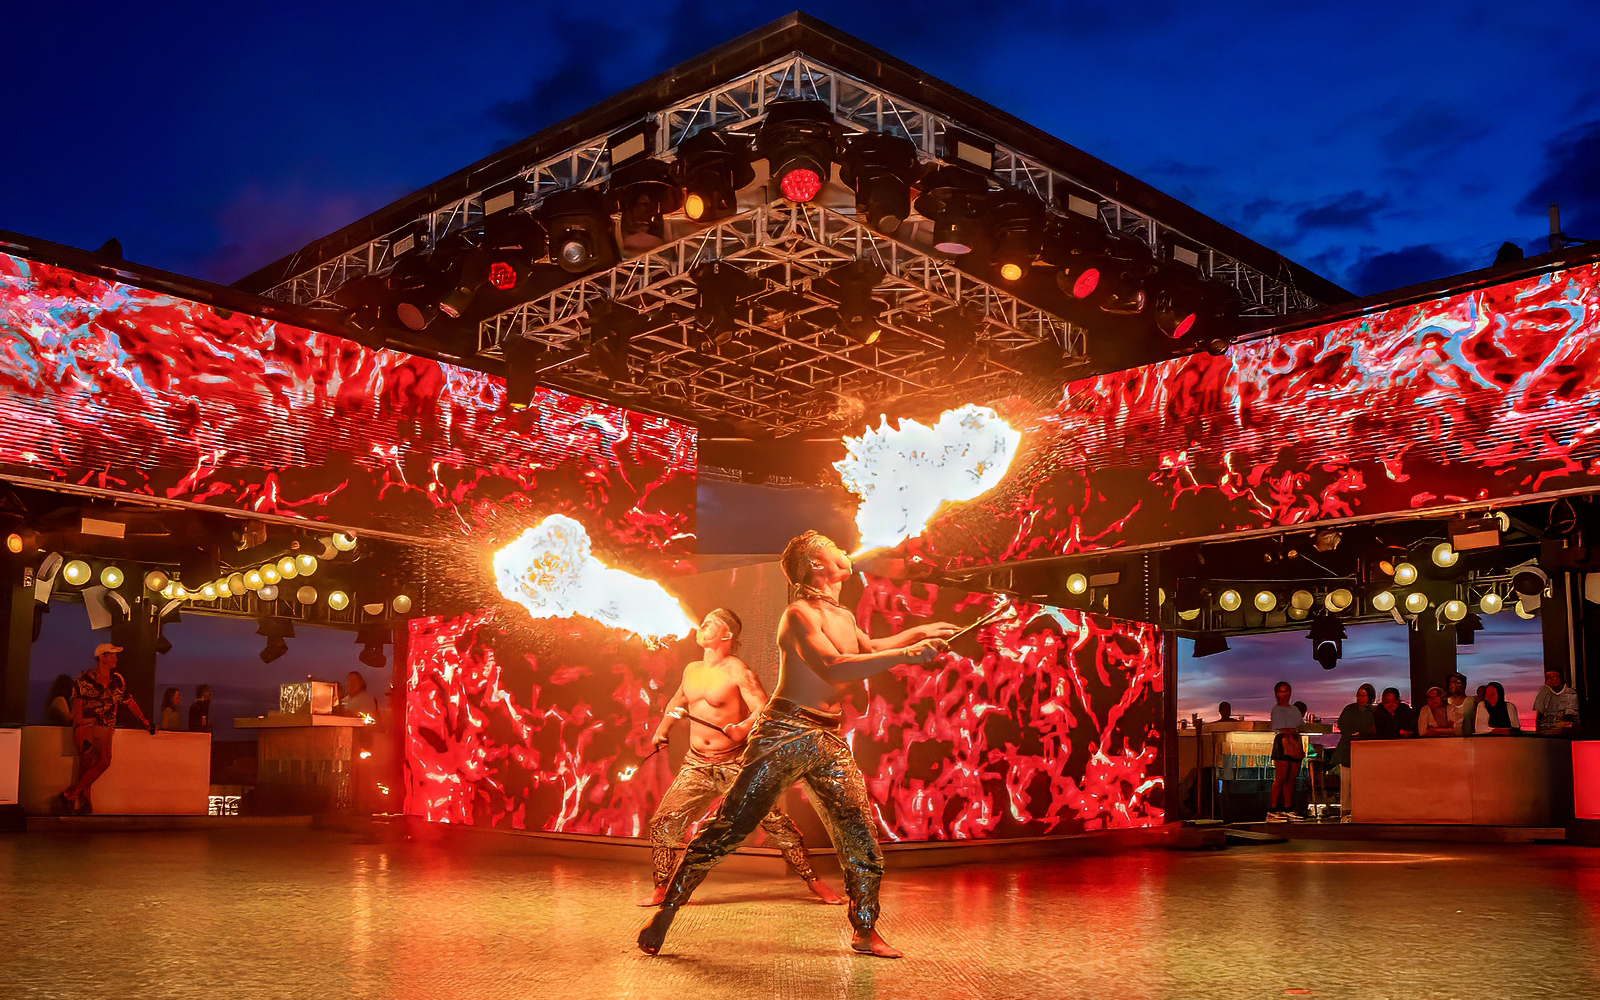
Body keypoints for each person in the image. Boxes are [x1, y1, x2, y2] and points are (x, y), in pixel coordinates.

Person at [638, 530, 954, 960]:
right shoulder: (798, 614)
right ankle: (667, 911)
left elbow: (868, 648)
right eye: (832, 546)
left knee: (859, 835)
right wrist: (909, 656)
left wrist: (917, 635)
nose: (844, 550)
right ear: (817, 565)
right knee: (728, 828)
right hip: (784, 732)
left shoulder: (841, 615)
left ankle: (865, 930)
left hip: (828, 736)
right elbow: (835, 666)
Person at [639, 608, 842, 908]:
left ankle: (814, 880)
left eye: (709, 623)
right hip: (696, 764)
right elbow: (678, 701)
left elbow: (763, 709)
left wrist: (742, 728)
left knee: (776, 824)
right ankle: (661, 886)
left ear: (727, 635)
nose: (701, 625)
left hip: (734, 764)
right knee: (663, 823)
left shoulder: (739, 671)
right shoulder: (691, 670)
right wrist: (663, 727)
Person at [57, 643, 155, 815]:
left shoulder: (117, 680)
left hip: (106, 726)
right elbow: (77, 701)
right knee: (86, 761)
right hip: (87, 725)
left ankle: (72, 794)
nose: (116, 658)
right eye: (112, 655)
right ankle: (84, 802)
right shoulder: (84, 678)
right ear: (102, 657)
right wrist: (79, 723)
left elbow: (129, 701)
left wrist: (144, 720)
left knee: (104, 760)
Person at [1333, 683, 1377, 821]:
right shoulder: (1350, 709)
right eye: (1358, 695)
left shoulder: (1373, 712)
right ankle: (1345, 811)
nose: (1360, 698)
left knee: (1362, 782)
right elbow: (1343, 725)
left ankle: (1362, 810)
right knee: (1346, 782)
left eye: (1363, 695)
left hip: (1365, 750)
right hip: (1348, 748)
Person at [1267, 682, 1305, 822]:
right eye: (1281, 691)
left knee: (1291, 779)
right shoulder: (1276, 709)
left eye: (1287, 691)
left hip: (1295, 741)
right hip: (1283, 742)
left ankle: (1287, 808)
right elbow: (1281, 727)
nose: (1284, 694)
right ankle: (1272, 810)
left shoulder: (1294, 709)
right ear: (1277, 693)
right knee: (1280, 778)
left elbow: (1299, 726)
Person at [1533, 670, 1581, 735]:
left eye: (1556, 677)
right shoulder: (1543, 693)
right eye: (1550, 678)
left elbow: (1573, 718)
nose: (1554, 680)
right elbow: (1540, 717)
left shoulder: (1571, 693)